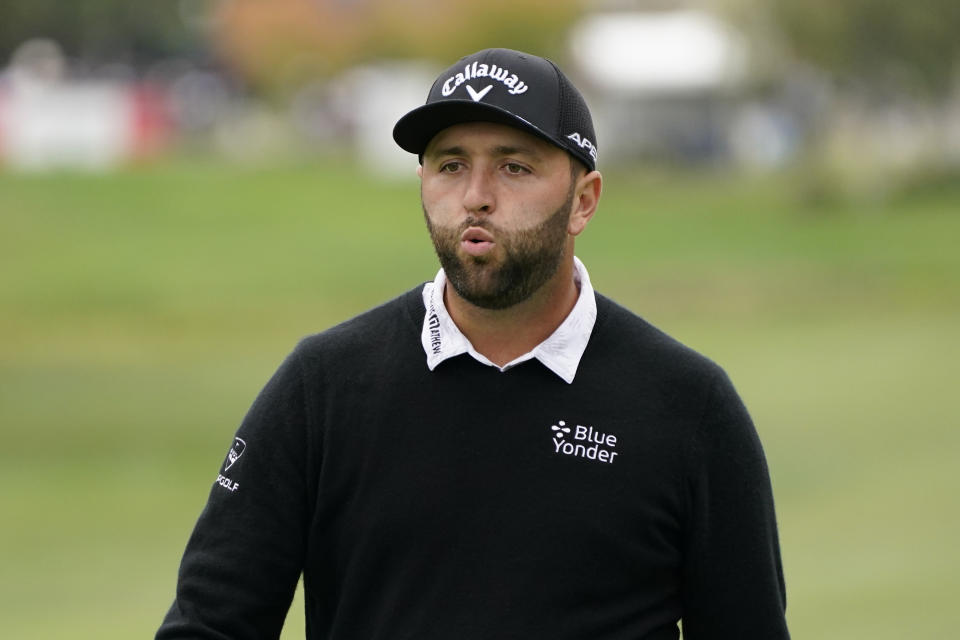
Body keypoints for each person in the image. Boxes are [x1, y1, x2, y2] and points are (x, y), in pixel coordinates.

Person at [156, 48, 789, 640]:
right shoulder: (322, 387)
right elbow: (210, 625)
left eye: (514, 166)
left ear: (583, 201)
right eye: (450, 164)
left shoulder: (688, 407)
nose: (475, 196)